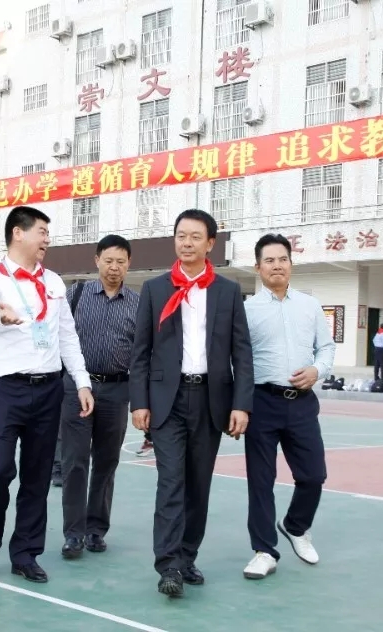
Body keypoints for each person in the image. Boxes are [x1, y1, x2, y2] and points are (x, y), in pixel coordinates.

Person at [130, 208, 253, 597]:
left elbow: (241, 352)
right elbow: (141, 351)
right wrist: (139, 402)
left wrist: (241, 404)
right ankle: (168, 565)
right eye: (181, 236)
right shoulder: (155, 288)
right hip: (167, 400)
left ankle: (186, 557)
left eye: (195, 237)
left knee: (198, 485)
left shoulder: (228, 291)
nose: (186, 243)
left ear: (210, 243)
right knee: (171, 481)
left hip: (211, 400)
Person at [0, 206, 93, 584]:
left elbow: (67, 336)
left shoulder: (54, 282)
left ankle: (25, 553)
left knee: (37, 477)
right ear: (18, 233)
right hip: (7, 389)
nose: (46, 240)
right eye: (41, 231)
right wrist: (0, 316)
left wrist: (82, 381)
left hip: (48, 389)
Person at [241, 233, 335, 580]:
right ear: (258, 267)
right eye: (269, 260)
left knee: (313, 475)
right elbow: (238, 359)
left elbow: (326, 348)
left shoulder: (309, 305)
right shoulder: (247, 310)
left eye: (282, 259)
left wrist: (317, 370)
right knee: (261, 481)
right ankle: (264, 551)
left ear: (291, 264)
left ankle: (296, 525)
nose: (277, 265)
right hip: (261, 402)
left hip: (302, 403)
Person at [58, 235, 139, 559]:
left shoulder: (138, 303)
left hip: (117, 390)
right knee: (74, 462)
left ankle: (95, 530)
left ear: (128, 264)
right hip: (77, 388)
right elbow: (59, 337)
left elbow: (142, 354)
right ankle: (73, 534)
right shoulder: (75, 295)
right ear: (97, 260)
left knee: (106, 463)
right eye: (108, 260)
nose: (114, 267)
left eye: (120, 261)